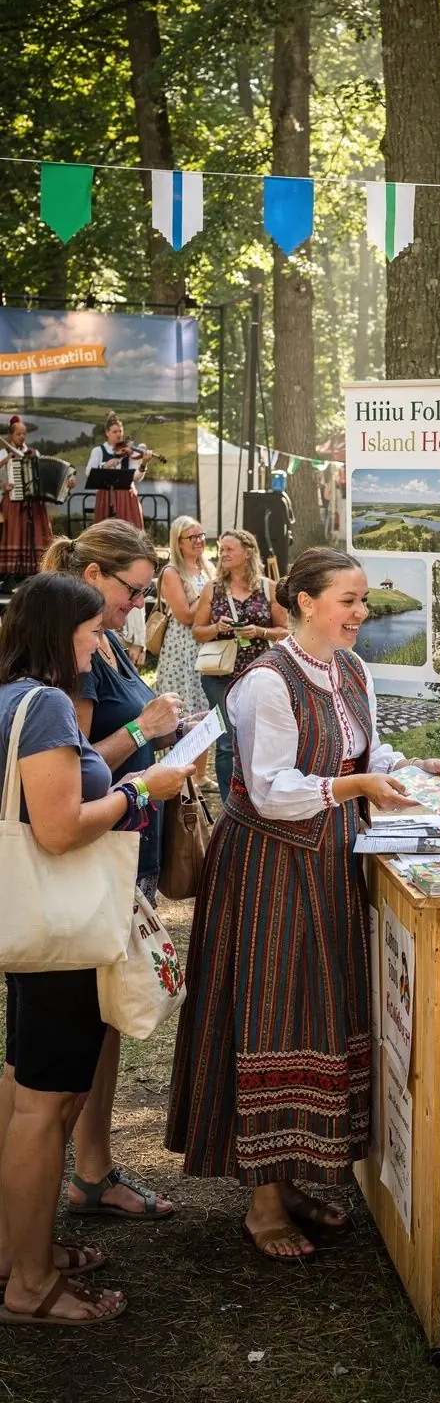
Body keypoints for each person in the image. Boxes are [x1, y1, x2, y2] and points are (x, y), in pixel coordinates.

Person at [166, 547, 440, 1260]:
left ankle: (290, 1179)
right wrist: (351, 791)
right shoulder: (266, 681)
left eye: (363, 600)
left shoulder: (351, 669)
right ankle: (263, 1202)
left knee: (319, 1013)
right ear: (303, 602)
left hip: (328, 860)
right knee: (270, 1016)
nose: (361, 612)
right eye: (348, 600)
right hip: (266, 868)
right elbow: (270, 787)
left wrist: (406, 766)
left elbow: (364, 754)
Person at [0, 573, 191, 1326]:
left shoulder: (12, 698)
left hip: (34, 925)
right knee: (47, 1108)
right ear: (59, 631)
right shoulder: (44, 703)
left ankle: (20, 1254)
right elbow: (59, 826)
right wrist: (147, 790)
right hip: (62, 929)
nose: (96, 650)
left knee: (25, 1093)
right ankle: (30, 1286)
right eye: (88, 636)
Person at [42, 520, 192, 1220]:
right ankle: (81, 1175)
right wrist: (146, 731)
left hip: (125, 843)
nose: (140, 602)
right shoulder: (73, 653)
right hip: (97, 850)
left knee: (103, 1023)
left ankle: (92, 1170)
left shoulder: (106, 640)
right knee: (82, 1030)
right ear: (94, 578)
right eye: (132, 591)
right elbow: (76, 761)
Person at [192, 529, 289, 802]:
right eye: (221, 550)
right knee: (226, 742)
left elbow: (285, 630)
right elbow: (197, 632)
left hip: (258, 674)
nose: (222, 554)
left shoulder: (269, 587)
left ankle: (256, 798)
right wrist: (216, 627)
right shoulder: (212, 588)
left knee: (258, 739)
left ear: (248, 552)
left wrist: (260, 632)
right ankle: (229, 803)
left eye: (228, 550)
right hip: (220, 675)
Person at [155, 516, 216, 789]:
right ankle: (179, 775)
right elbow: (184, 615)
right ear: (178, 543)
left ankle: (200, 775)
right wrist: (208, 600)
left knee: (202, 710)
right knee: (183, 711)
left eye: (201, 535)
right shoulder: (172, 572)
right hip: (182, 649)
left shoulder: (207, 568)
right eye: (192, 537)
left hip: (205, 646)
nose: (199, 541)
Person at [0, 416, 53, 579]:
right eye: (18, 434)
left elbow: (42, 473)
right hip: (13, 500)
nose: (22, 437)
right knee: (15, 533)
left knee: (35, 533)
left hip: (33, 502)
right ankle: (11, 573)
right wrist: (3, 485)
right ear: (10, 435)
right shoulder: (3, 453)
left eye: (24, 434)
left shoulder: (33, 453)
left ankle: (36, 571)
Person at [85, 412, 149, 529]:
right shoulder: (98, 451)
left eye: (120, 431)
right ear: (107, 433)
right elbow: (89, 472)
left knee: (129, 532)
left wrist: (143, 463)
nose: (119, 434)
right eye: (115, 432)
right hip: (106, 495)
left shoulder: (128, 451)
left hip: (127, 497)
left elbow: (135, 477)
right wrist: (105, 465)